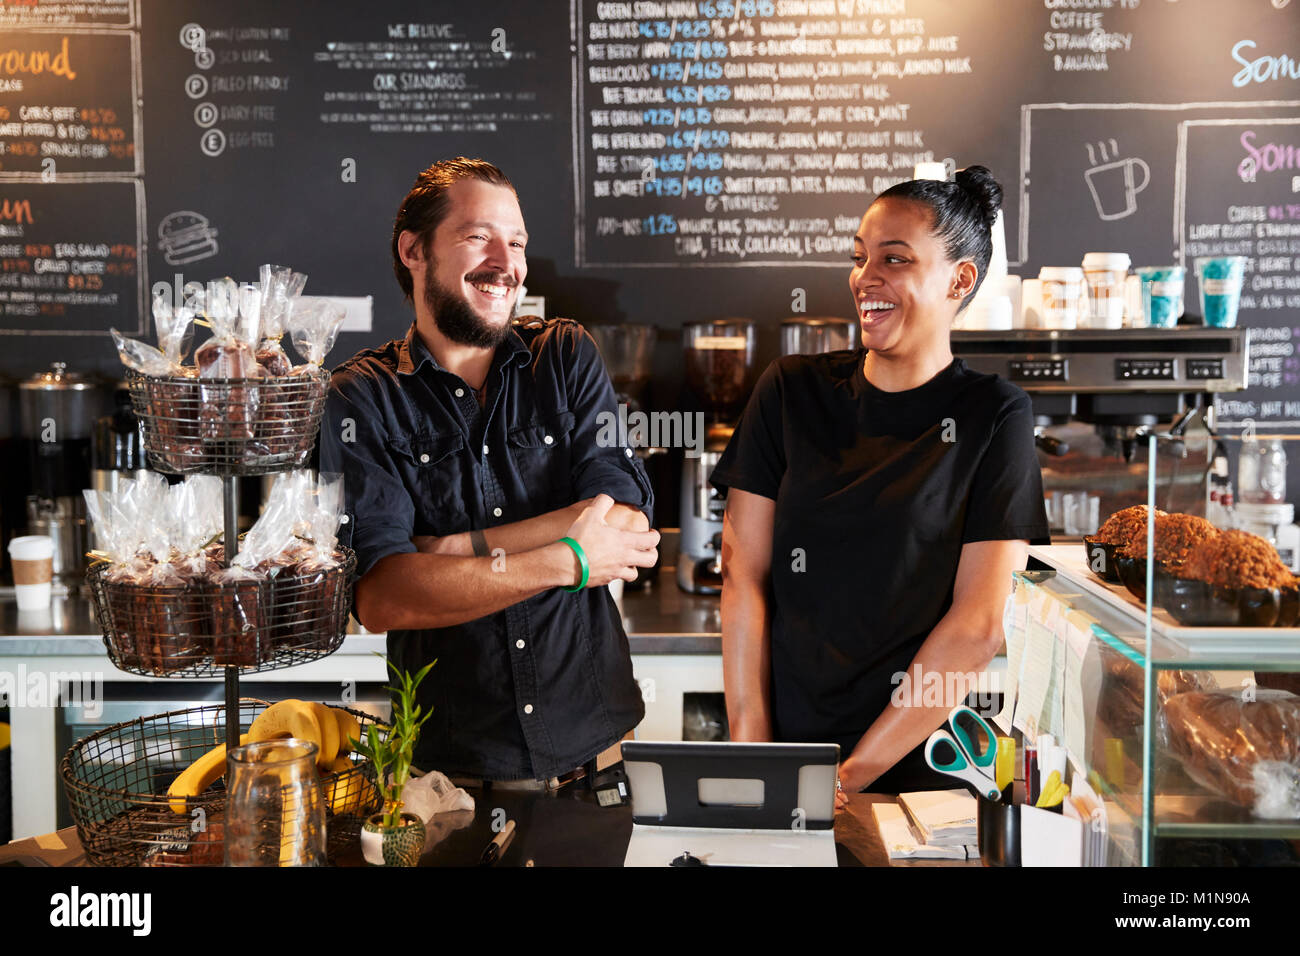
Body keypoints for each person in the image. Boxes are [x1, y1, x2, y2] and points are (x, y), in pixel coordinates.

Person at [320, 157, 660, 788]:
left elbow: (625, 520)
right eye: (479, 236)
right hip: (451, 786)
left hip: (598, 772)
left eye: (518, 242)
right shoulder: (361, 396)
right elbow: (382, 595)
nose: (507, 262)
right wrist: (569, 560)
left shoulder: (563, 355)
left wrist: (457, 550)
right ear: (414, 250)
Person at [710, 166, 1050, 797]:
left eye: (894, 259)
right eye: (860, 257)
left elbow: (978, 624)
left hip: (915, 772)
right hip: (784, 753)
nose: (866, 278)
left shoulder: (995, 415)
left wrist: (852, 777)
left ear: (960, 279)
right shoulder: (790, 390)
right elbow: (743, 578)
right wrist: (752, 745)